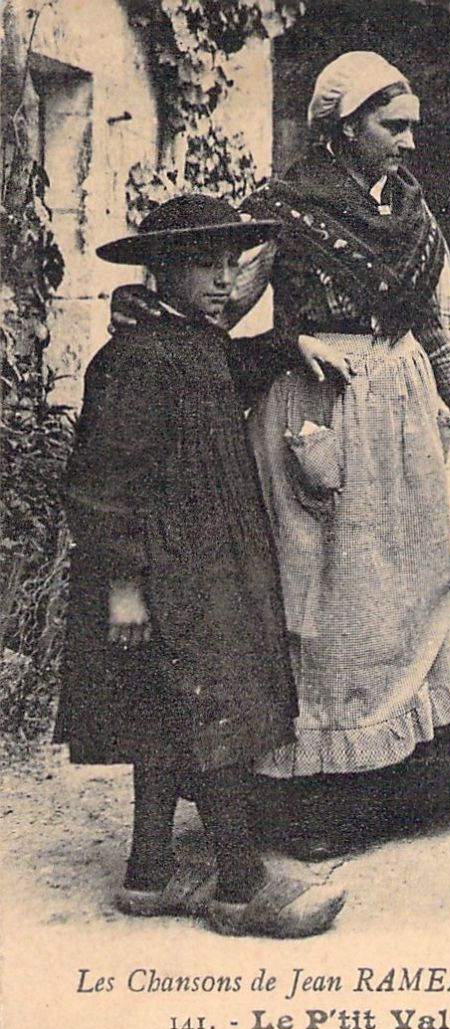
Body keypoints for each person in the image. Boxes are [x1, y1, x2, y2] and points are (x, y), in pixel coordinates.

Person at [201, 51, 450, 860]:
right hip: (319, 419)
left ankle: (412, 785)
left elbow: (438, 329)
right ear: (342, 126)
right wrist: (289, 337)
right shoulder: (281, 211)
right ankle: (319, 802)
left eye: (411, 128)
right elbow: (221, 306)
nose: (407, 142)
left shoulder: (414, 213)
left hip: (402, 419)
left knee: (413, 591)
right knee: (325, 604)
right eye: (391, 126)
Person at [58, 194, 347, 937]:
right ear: (160, 270)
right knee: (218, 712)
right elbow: (103, 483)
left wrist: (288, 345)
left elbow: (228, 364)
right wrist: (124, 586)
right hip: (162, 569)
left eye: (231, 263)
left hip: (210, 558)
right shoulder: (130, 361)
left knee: (165, 713)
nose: (224, 280)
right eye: (203, 265)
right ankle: (240, 885)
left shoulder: (192, 340)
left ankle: (148, 872)